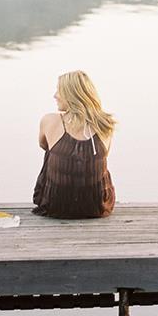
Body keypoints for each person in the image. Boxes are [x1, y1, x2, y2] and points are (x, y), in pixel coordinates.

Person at [32, 70, 117, 219]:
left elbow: (43, 144)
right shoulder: (106, 124)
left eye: (59, 91)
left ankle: (63, 196)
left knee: (52, 152)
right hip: (97, 207)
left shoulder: (49, 121)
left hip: (55, 206)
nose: (55, 95)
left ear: (71, 95)